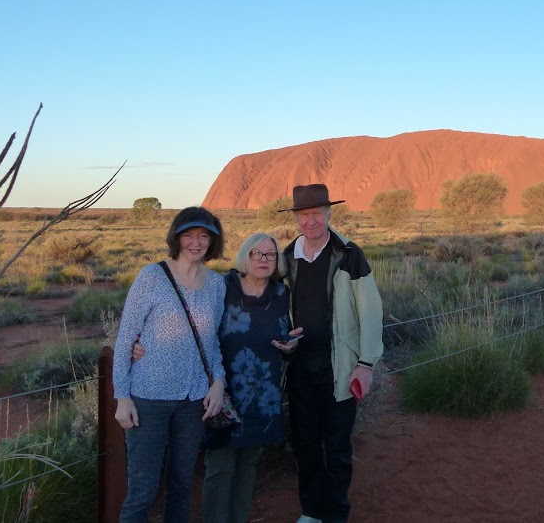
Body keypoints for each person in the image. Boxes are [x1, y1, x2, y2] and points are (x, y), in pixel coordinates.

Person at [131, 232, 302, 523]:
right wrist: (142, 340)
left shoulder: (281, 293)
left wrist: (291, 347)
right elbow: (189, 321)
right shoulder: (223, 286)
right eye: (256, 254)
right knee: (220, 465)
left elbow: (290, 335)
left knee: (248, 464)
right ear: (245, 256)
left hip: (263, 393)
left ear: (277, 261)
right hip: (222, 390)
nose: (263, 259)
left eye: (270, 255)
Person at [273, 184, 384, 523]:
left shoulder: (349, 254)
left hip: (341, 366)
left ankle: (335, 513)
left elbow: (371, 311)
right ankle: (311, 510)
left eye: (317, 214)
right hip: (300, 366)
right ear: (296, 218)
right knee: (305, 443)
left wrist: (366, 363)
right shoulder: (286, 258)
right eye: (304, 215)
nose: (311, 221)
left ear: (329, 214)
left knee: (336, 446)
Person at [113, 207, 227, 523]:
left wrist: (218, 382)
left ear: (212, 241)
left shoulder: (217, 285)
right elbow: (126, 339)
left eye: (204, 235)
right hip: (148, 399)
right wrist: (122, 396)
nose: (196, 242)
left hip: (194, 402)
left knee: (181, 487)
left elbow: (212, 342)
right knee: (143, 491)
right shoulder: (152, 276)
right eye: (189, 234)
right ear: (176, 237)